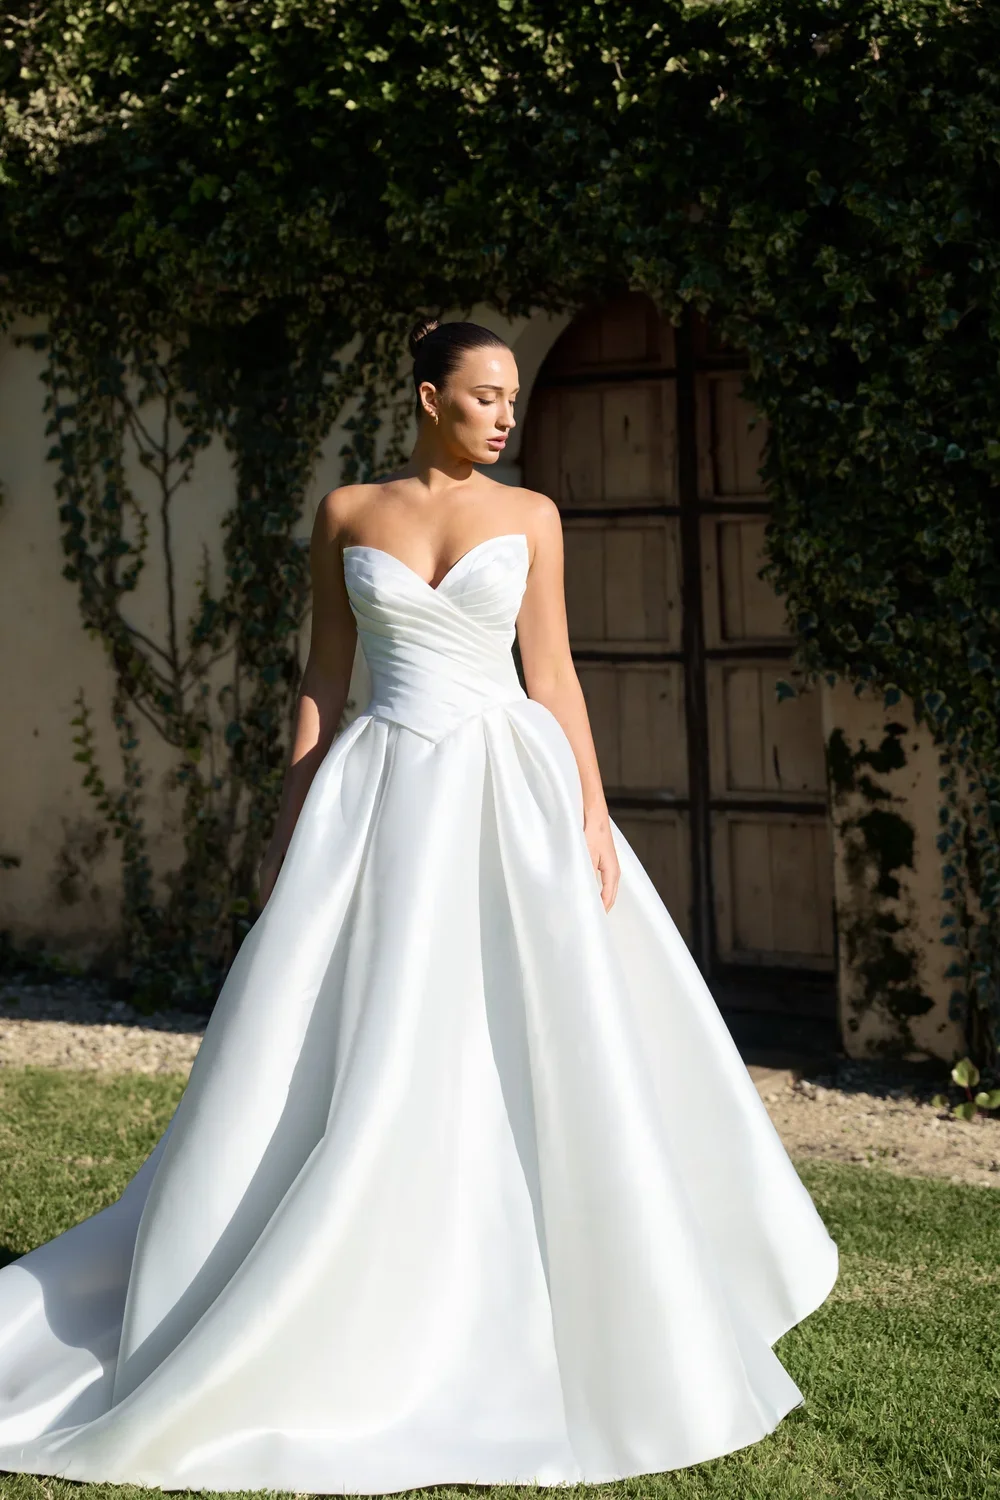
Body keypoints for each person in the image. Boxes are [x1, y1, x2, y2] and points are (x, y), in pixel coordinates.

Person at [0, 318, 838, 1494]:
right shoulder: (348, 512)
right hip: (378, 787)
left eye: (511, 398)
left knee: (533, 1022)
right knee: (349, 1023)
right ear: (427, 396)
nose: (505, 414)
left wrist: (592, 815)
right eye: (484, 395)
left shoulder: (532, 517)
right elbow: (323, 676)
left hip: (504, 785)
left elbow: (550, 674)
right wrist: (291, 825)